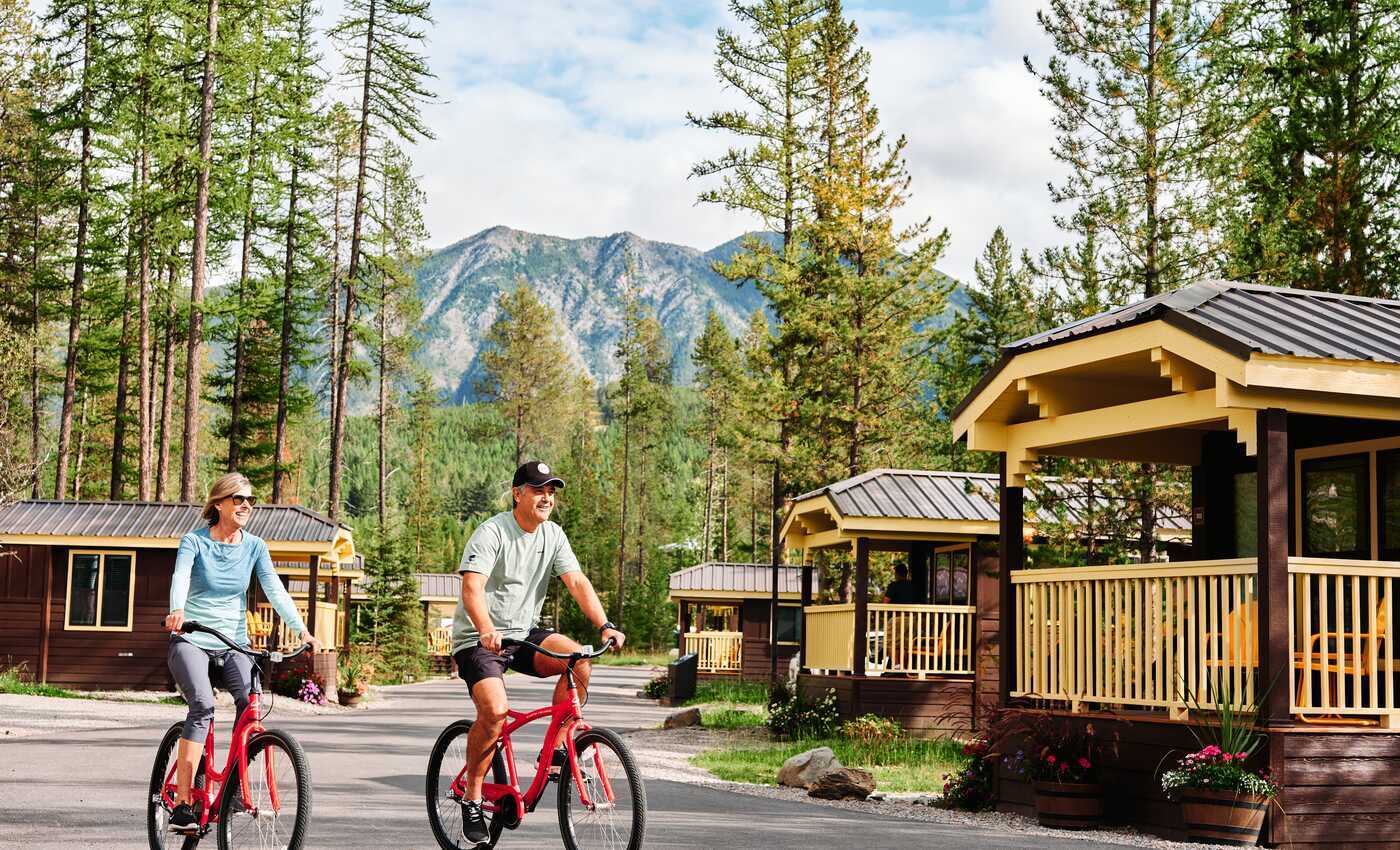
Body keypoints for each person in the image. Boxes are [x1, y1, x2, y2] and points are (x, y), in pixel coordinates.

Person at [453, 460, 624, 848]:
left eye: (551, 491)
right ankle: (473, 798)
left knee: (578, 658)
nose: (547, 498)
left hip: (524, 634)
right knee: (495, 712)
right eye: (538, 490)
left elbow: (576, 582)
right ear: (518, 494)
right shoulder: (492, 532)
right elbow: (472, 588)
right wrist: (485, 628)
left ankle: (559, 747)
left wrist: (605, 625)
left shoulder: (553, 535)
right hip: (479, 639)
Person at [163, 472, 321, 833]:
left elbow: (275, 590)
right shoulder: (194, 542)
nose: (246, 505)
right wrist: (177, 611)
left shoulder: (255, 547)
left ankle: (234, 788)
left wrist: (302, 630)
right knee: (202, 706)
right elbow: (180, 577)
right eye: (238, 498)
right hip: (191, 639)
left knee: (251, 704)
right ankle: (183, 803)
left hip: (233, 642)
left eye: (251, 500)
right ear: (219, 503)